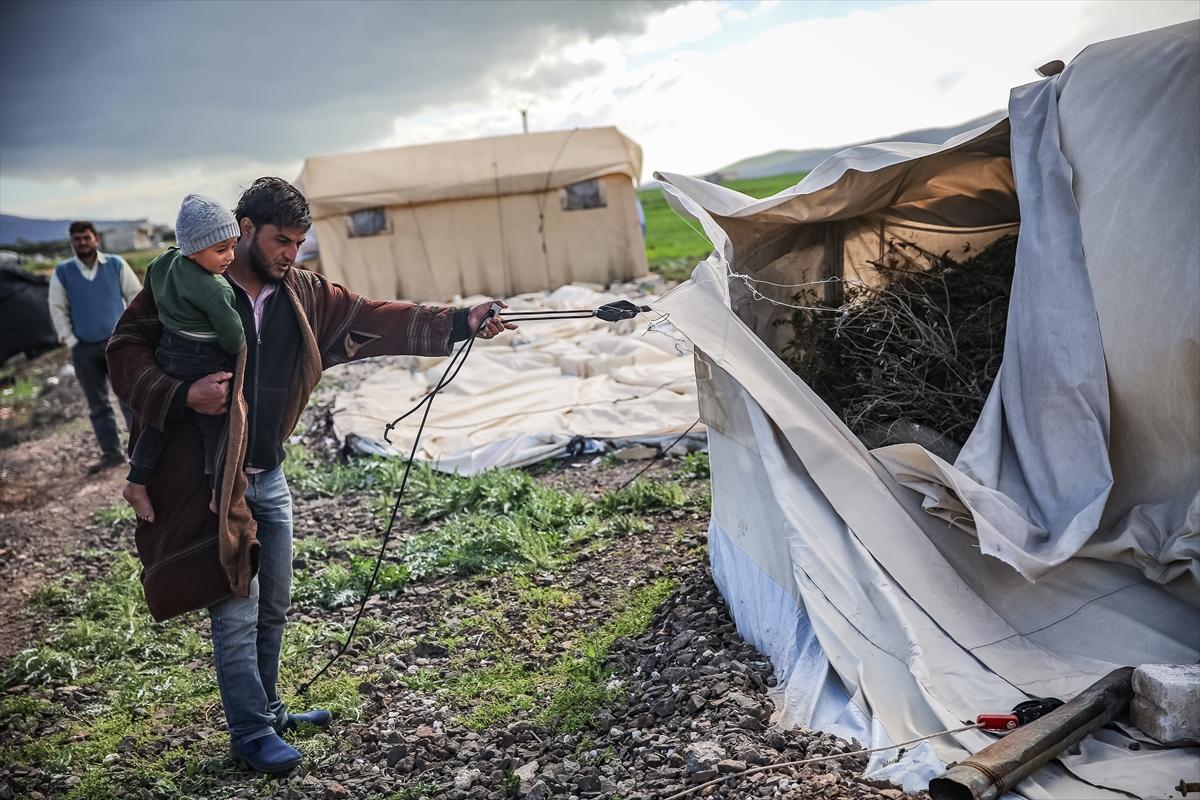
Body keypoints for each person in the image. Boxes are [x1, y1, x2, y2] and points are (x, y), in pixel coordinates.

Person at [107, 177, 515, 774]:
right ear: (243, 230)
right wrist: (182, 392)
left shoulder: (302, 293)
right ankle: (249, 735)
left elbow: (374, 317)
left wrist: (460, 321)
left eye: (299, 243)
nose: (290, 255)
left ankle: (269, 710)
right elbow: (122, 350)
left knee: (274, 601)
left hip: (267, 472)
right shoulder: (182, 281)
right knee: (236, 605)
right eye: (281, 241)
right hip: (208, 477)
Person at [122, 195, 244, 523]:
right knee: (215, 426)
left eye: (233, 246)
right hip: (202, 359)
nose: (230, 257)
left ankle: (137, 481)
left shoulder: (165, 263)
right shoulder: (215, 290)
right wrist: (242, 346)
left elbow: (151, 279)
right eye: (221, 250)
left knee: (161, 420)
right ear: (193, 249)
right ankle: (219, 492)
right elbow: (233, 338)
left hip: (168, 352)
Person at [47, 221, 141, 472]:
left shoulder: (115, 264)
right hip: (84, 349)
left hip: (118, 344)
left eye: (86, 238)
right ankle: (111, 454)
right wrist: (72, 341)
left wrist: (132, 332)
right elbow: (57, 309)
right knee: (97, 404)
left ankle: (141, 453)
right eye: (77, 239)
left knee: (129, 399)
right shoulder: (63, 272)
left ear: (96, 239)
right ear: (72, 242)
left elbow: (135, 297)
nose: (82, 243)